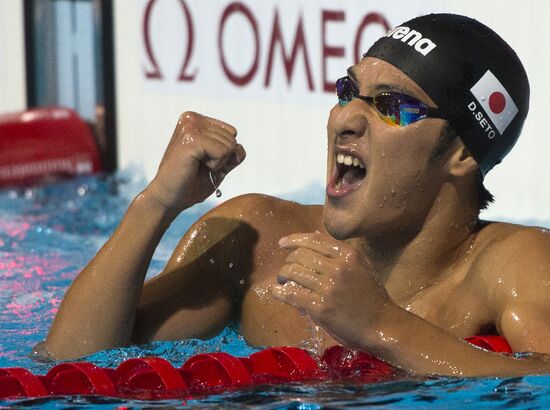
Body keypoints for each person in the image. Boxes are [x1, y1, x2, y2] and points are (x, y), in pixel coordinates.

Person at [38, 13, 550, 376]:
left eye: (391, 105)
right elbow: (73, 365)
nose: (346, 118)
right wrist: (154, 204)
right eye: (347, 92)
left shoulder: (511, 264)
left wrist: (380, 325)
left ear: (461, 151)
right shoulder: (258, 242)